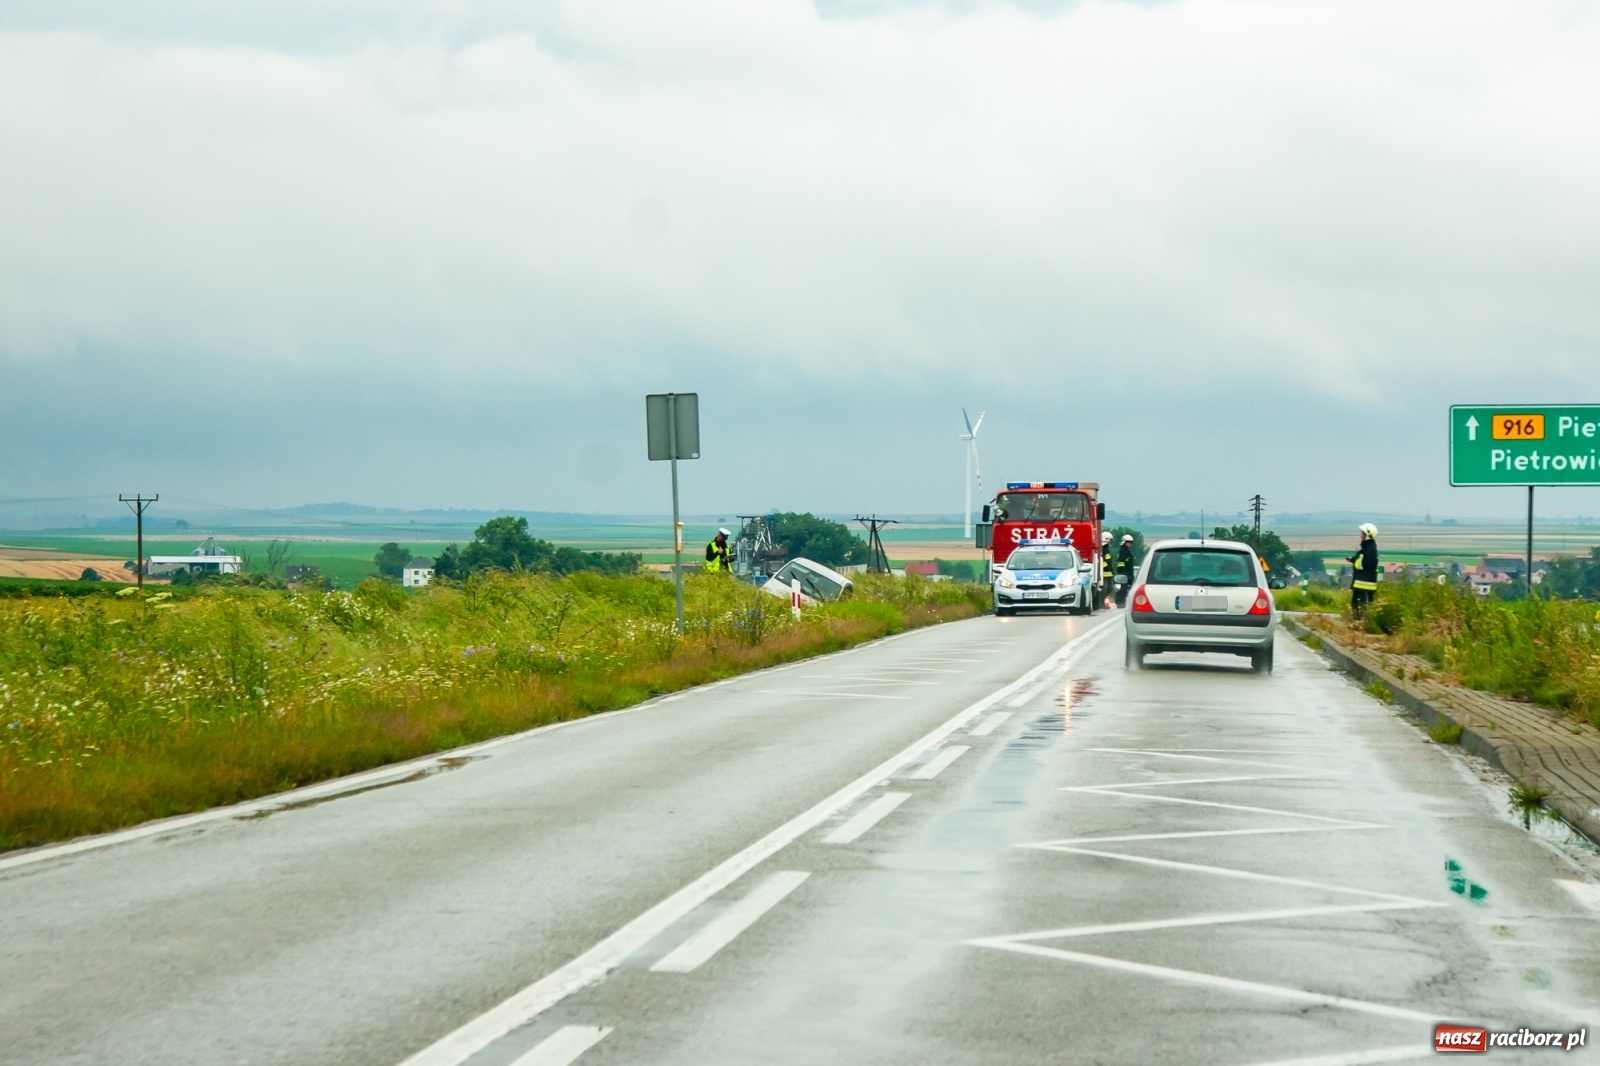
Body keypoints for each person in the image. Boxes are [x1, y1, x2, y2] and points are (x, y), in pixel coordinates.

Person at [1347, 523, 1379, 619]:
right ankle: (1361, 624)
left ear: (1368, 535)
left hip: (1363, 583)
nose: (1360, 535)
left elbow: (1364, 564)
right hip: (1364, 583)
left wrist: (1355, 561)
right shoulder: (1369, 548)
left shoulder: (1369, 549)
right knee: (1365, 606)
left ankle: (1360, 625)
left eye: (1362, 533)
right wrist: (1353, 559)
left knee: (1359, 607)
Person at [1114, 533, 1136, 607]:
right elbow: (1121, 562)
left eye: (1130, 542)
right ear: (1124, 542)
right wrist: (1123, 573)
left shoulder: (1126, 550)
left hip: (1127, 573)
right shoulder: (1123, 551)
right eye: (1128, 542)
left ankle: (1122, 601)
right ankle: (1120, 602)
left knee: (1125, 588)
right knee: (1123, 589)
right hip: (1124, 573)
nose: (1129, 544)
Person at [1100, 531, 1114, 608]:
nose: (1110, 542)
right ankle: (1102, 603)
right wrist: (1107, 567)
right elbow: (1103, 562)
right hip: (1104, 573)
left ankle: (1103, 602)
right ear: (1106, 540)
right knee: (1105, 589)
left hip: (1108, 573)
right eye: (1110, 540)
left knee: (1109, 589)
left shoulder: (1106, 549)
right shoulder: (1103, 550)